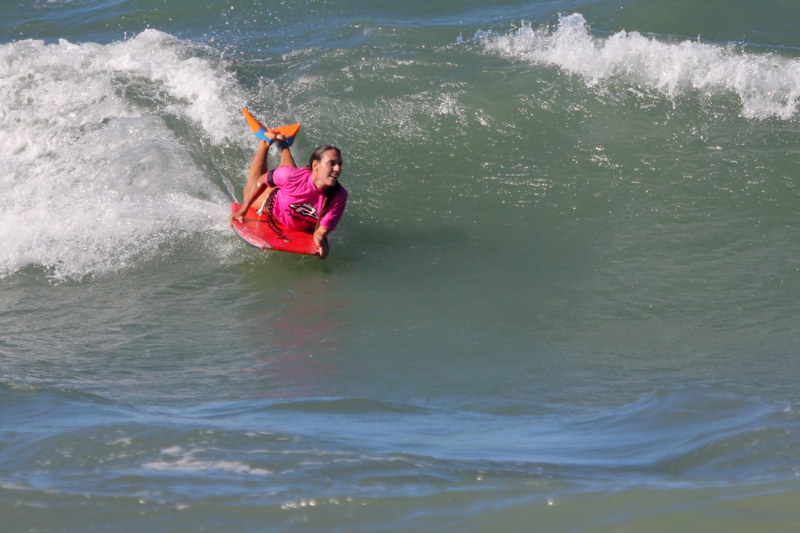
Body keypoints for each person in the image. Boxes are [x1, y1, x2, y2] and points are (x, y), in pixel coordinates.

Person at [229, 119, 347, 259]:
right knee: (249, 192)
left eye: (339, 164)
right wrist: (243, 210)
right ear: (315, 165)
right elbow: (262, 181)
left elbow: (322, 229)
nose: (338, 169)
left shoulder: (338, 195)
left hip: (293, 192)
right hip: (272, 206)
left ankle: (284, 143)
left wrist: (321, 240)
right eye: (332, 164)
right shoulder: (291, 176)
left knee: (290, 177)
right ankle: (265, 141)